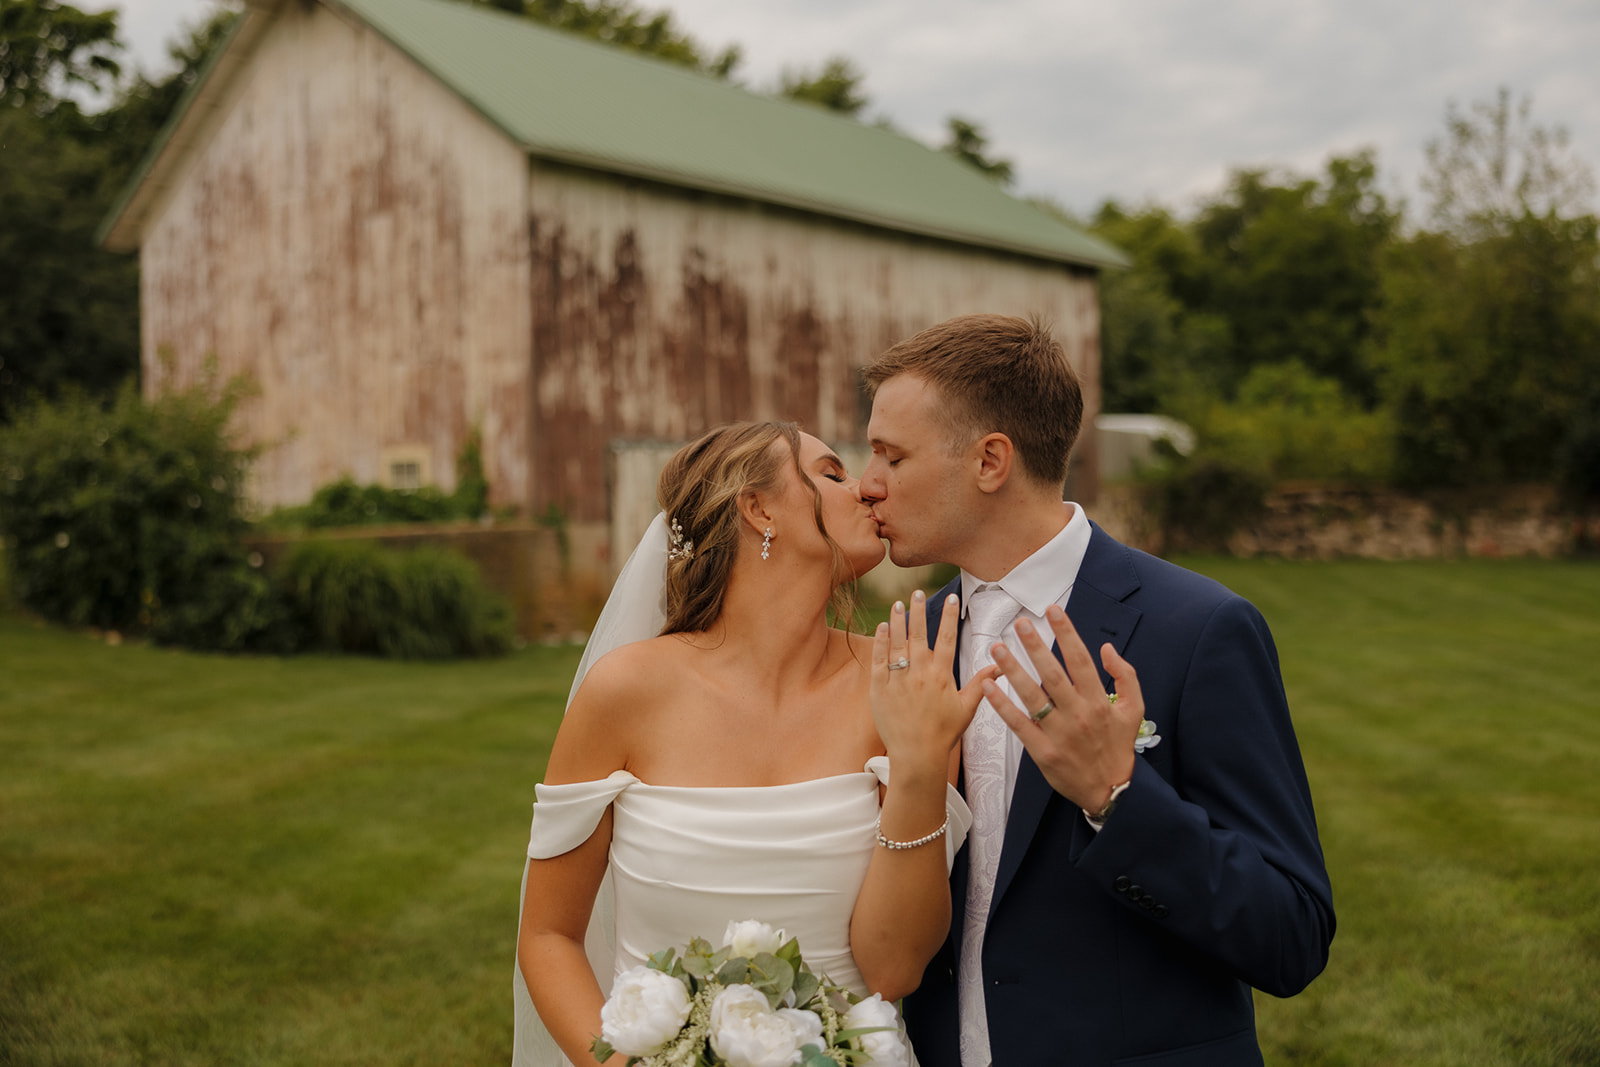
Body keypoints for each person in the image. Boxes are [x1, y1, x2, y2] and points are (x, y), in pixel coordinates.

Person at [858, 314, 1335, 1067]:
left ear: (989, 461)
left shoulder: (1199, 629)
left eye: (891, 454)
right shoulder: (911, 642)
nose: (867, 483)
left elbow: (1292, 934)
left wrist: (1116, 796)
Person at [512, 421, 995, 1067]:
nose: (868, 490)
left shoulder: (902, 688)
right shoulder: (625, 691)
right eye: (832, 473)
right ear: (758, 506)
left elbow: (895, 967)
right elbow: (548, 934)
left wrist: (916, 769)